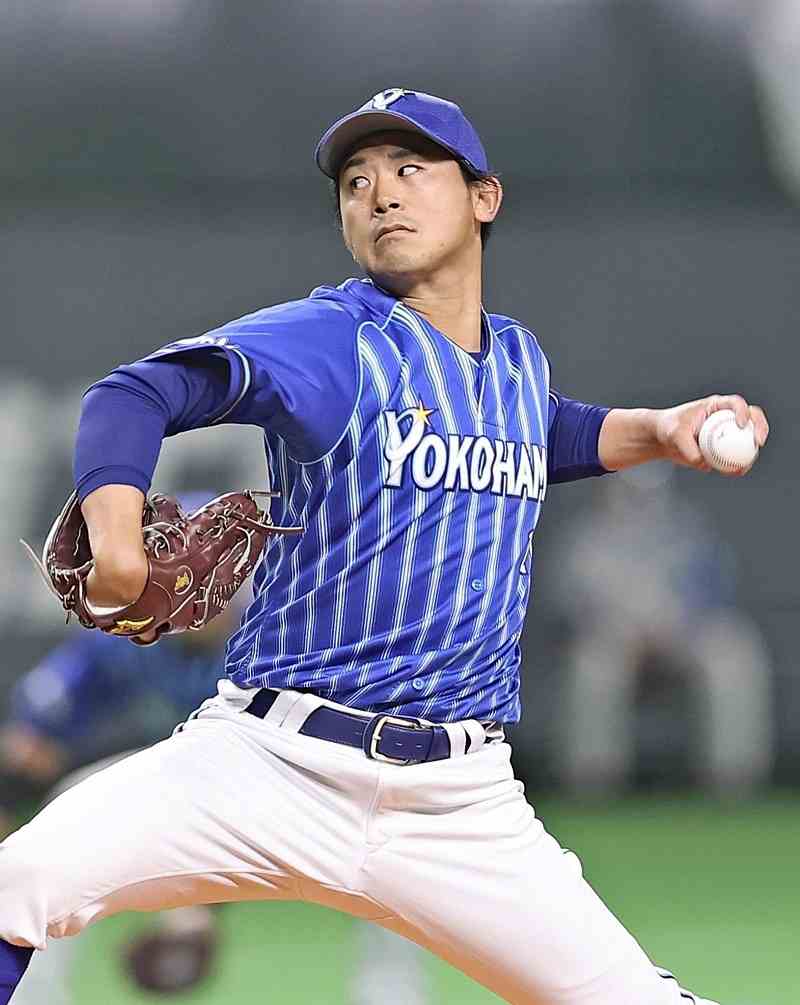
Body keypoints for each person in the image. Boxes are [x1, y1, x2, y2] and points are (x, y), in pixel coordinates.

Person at [0, 88, 770, 1005]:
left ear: (484, 197)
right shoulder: (335, 338)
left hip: (458, 804)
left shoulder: (516, 360)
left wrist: (659, 427)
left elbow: (538, 432)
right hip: (265, 766)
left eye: (410, 169)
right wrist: (116, 535)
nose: (380, 195)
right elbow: (132, 394)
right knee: (15, 889)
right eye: (356, 183)